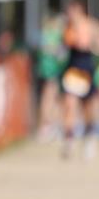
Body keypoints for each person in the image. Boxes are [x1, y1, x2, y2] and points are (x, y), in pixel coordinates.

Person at [58, 0, 99, 159]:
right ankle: (69, 139)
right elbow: (64, 46)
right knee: (69, 103)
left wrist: (91, 43)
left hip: (87, 66)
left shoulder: (92, 24)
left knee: (87, 108)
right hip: (73, 67)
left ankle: (89, 136)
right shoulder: (67, 26)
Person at [35, 13, 67, 141]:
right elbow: (48, 50)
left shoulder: (50, 35)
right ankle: (45, 127)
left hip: (53, 71)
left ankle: (50, 126)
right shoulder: (49, 35)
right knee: (48, 99)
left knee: (53, 99)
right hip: (49, 72)